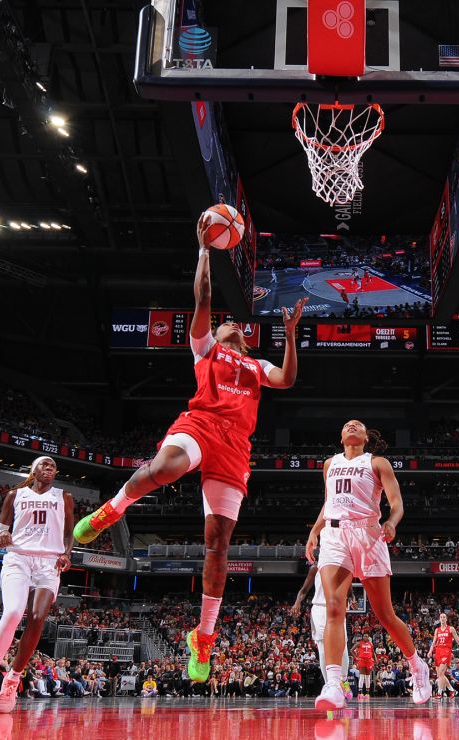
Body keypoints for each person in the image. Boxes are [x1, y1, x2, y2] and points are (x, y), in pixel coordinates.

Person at [74, 215, 307, 684]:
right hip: (201, 423)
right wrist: (205, 251)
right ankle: (112, 511)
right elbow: (203, 298)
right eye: (228, 327)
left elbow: (287, 379)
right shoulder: (206, 350)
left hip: (235, 447)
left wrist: (291, 334)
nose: (234, 329)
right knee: (165, 468)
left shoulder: (256, 365)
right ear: (216, 336)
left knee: (218, 543)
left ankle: (202, 638)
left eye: (239, 329)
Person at [304, 420, 432, 710]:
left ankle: (416, 664)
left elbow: (396, 502)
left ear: (364, 437)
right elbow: (329, 503)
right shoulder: (329, 464)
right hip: (334, 535)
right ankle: (334, 683)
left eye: (358, 425)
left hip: (368, 533)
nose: (352, 426)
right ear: (341, 436)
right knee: (334, 606)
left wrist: (391, 521)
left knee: (384, 614)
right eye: (347, 425)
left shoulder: (377, 463)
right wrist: (314, 531)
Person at [0, 456, 74, 712]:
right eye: (44, 465)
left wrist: (67, 554)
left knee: (37, 618)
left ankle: (12, 680)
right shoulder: (15, 495)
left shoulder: (64, 497)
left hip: (49, 563)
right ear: (33, 470)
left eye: (52, 467)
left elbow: (69, 533)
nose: (49, 469)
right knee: (14, 612)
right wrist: (0, 536)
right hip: (19, 558)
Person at [290, 563, 351, 697]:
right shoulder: (315, 568)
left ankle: (344, 681)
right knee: (323, 648)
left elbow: (348, 587)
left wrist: (351, 598)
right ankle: (329, 684)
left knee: (343, 647)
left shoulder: (341, 564)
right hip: (320, 608)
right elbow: (304, 590)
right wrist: (297, 602)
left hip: (337, 607)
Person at [428, 612, 459, 699]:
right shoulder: (437, 630)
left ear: (446, 619)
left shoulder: (451, 629)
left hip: (446, 651)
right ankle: (451, 690)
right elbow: (434, 642)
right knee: (440, 675)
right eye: (441, 617)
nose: (442, 618)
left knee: (441, 673)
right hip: (438, 651)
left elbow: (458, 641)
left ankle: (439, 693)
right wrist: (430, 651)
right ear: (439, 619)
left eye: (444, 617)